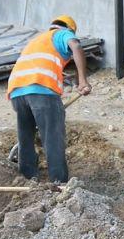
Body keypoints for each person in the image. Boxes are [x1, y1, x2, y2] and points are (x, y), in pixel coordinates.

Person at [6, 14, 91, 182]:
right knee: (52, 135)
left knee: (26, 137)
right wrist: (83, 80)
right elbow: (76, 47)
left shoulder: (38, 40)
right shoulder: (62, 34)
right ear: (69, 29)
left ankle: (27, 179)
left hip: (17, 91)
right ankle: (58, 183)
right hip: (41, 89)